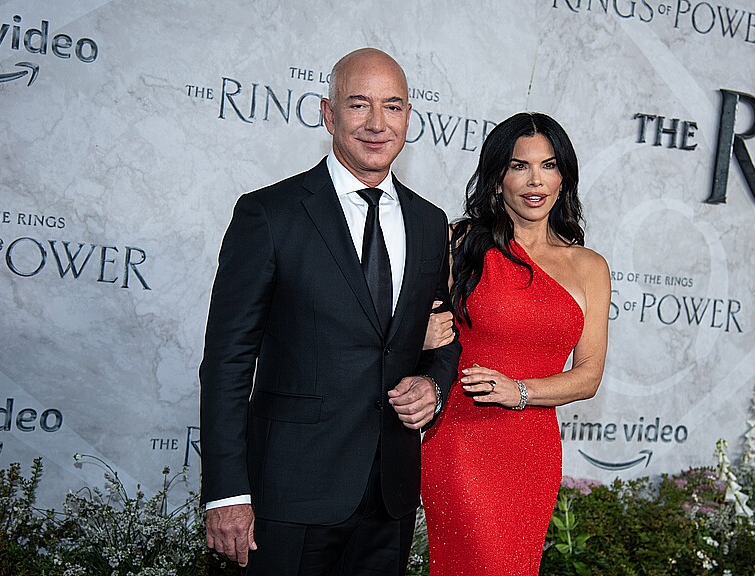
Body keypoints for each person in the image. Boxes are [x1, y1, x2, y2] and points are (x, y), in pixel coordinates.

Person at [199, 47, 461, 576]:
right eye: (359, 104)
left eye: (392, 106)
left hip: (389, 497)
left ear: (408, 117)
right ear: (328, 114)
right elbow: (228, 361)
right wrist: (226, 493)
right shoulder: (269, 214)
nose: (377, 123)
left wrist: (433, 384)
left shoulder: (430, 223)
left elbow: (442, 333)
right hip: (289, 494)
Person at [420, 112, 611, 575]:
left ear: (564, 177)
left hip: (533, 453)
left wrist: (519, 391)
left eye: (548, 165)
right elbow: (409, 331)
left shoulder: (589, 267)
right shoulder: (461, 244)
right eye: (518, 165)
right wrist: (420, 337)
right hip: (462, 438)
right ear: (497, 178)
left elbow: (588, 376)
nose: (535, 180)